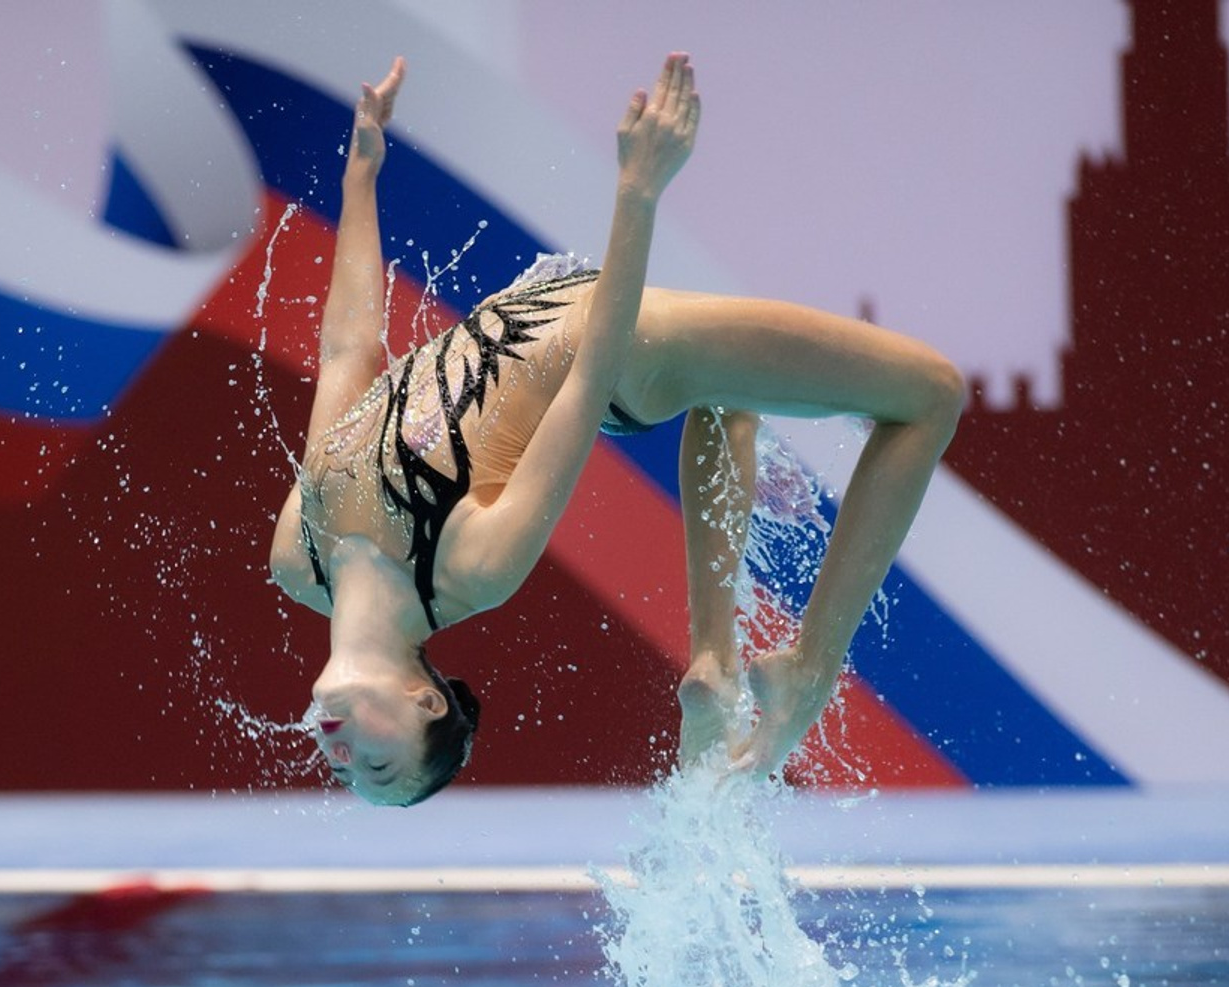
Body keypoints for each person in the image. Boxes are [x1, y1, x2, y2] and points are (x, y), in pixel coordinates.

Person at [270, 54, 965, 806]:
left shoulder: (300, 561)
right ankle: (810, 671)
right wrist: (637, 191)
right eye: (376, 768)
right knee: (932, 394)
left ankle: (714, 664)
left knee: (728, 397)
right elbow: (588, 377)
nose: (341, 759)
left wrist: (361, 176)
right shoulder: (471, 569)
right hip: (622, 349)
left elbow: (347, 353)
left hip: (585, 328)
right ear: (425, 702)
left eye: (343, 774)